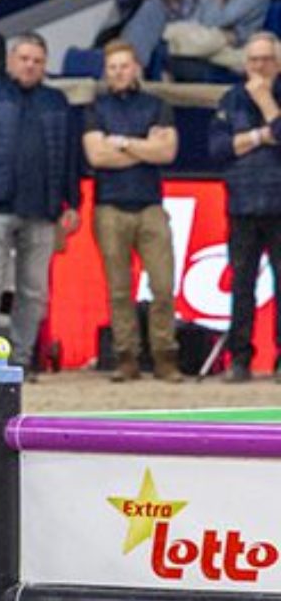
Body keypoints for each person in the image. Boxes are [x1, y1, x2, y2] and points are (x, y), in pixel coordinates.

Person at [0, 33, 80, 371]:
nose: (30, 65)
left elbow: (70, 156)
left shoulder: (57, 102)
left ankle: (21, 361)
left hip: (43, 211)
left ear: (45, 65)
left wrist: (73, 203)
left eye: (37, 60)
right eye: (24, 58)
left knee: (34, 292)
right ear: (10, 61)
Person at [80, 41, 182, 382]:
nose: (119, 73)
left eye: (124, 66)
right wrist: (144, 146)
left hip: (151, 205)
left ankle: (165, 355)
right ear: (105, 73)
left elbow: (167, 152)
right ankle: (127, 357)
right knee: (118, 289)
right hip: (109, 206)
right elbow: (96, 156)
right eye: (112, 68)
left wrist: (121, 143)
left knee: (163, 285)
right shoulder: (96, 108)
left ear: (136, 67)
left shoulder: (158, 105)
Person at [209, 32, 281, 381]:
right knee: (241, 286)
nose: (258, 66)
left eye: (266, 59)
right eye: (253, 60)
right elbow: (218, 149)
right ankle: (239, 358)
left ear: (277, 63)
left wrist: (267, 102)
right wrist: (261, 136)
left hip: (279, 205)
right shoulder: (230, 99)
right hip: (241, 204)